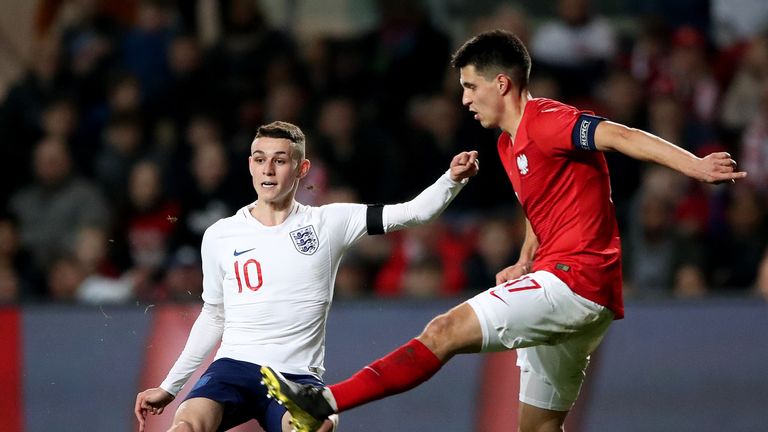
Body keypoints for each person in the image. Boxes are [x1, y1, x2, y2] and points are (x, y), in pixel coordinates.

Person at [259, 30, 747, 432]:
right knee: (537, 429)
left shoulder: (550, 120)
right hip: (577, 290)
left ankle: (322, 401)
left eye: (471, 87)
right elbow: (543, 209)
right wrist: (523, 259)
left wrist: (696, 166)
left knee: (443, 331)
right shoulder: (508, 147)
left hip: (575, 281)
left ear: (502, 83)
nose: (465, 99)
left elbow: (622, 136)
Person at [134, 120, 479, 432]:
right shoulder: (220, 235)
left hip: (296, 377)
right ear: (249, 165)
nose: (268, 169)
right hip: (232, 369)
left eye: (280, 160)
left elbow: (414, 213)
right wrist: (170, 387)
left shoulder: (329, 223)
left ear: (302, 168)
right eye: (259, 158)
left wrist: (451, 179)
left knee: (316, 428)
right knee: (185, 427)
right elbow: (214, 315)